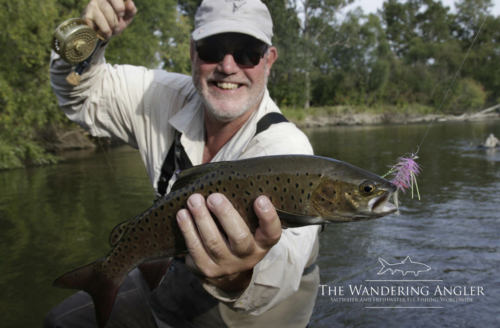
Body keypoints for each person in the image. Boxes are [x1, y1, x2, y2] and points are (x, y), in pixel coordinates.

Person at [46, 0, 321, 327]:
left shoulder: (290, 152)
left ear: (269, 60)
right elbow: (80, 95)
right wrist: (81, 39)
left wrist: (237, 274)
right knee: (62, 321)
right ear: (192, 52)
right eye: (212, 49)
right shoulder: (159, 95)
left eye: (248, 52)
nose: (228, 66)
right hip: (168, 271)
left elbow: (285, 264)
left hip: (251, 307)